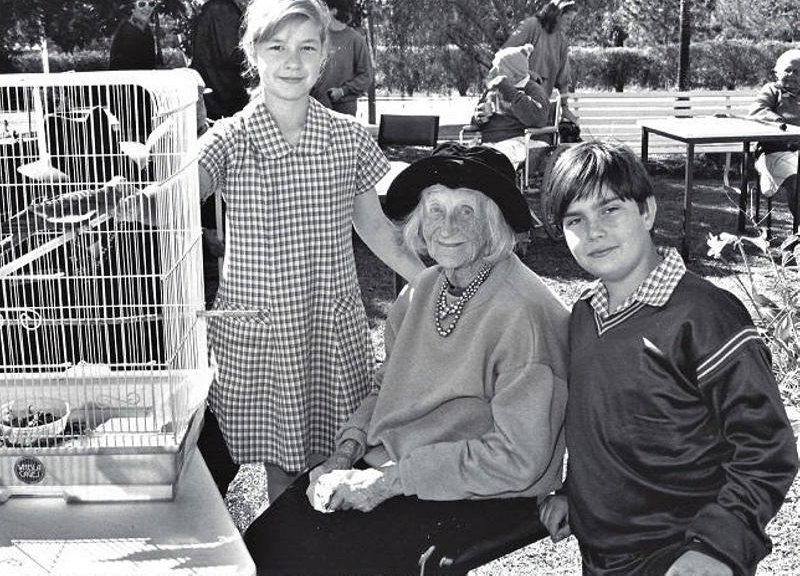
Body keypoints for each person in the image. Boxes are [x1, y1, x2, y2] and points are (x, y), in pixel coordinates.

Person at [242, 142, 570, 576]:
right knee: (263, 545)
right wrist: (345, 452)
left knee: (314, 564)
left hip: (480, 489)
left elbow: (517, 459)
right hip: (400, 468)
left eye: (466, 212)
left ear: (494, 226)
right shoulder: (421, 290)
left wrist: (388, 482)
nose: (447, 226)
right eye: (435, 209)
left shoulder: (523, 316)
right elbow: (386, 387)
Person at [194, 0, 426, 504]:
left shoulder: (347, 137)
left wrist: (432, 281)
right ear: (253, 54)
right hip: (264, 330)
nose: (292, 62)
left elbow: (374, 227)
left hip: (327, 321)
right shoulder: (229, 138)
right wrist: (134, 185)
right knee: (279, 467)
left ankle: (318, 545)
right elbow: (175, 193)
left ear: (324, 56)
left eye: (306, 47)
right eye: (276, 47)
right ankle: (286, 548)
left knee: (329, 459)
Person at [538, 141, 799, 576]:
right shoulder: (584, 315)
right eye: (575, 220)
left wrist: (717, 545)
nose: (593, 231)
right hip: (601, 556)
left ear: (647, 212)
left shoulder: (706, 317)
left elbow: (765, 448)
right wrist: (573, 491)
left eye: (609, 210)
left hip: (682, 554)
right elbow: (602, 426)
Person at [191, 0, 252, 307]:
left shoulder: (209, 10)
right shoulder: (225, 12)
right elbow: (234, 55)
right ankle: (225, 247)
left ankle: (220, 244)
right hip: (225, 103)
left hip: (215, 100)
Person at [470, 43, 551, 167]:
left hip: (523, 141)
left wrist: (509, 91)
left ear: (514, 72)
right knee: (465, 157)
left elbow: (538, 118)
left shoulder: (533, 89)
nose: (493, 72)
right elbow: (475, 121)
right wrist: (478, 118)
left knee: (497, 157)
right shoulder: (493, 90)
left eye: (499, 68)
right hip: (491, 143)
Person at [503, 0, 579, 125]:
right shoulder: (531, 26)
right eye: (567, 19)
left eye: (572, 20)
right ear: (557, 14)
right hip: (513, 107)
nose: (569, 23)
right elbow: (505, 57)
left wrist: (565, 108)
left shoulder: (561, 41)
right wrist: (527, 74)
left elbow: (563, 80)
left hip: (538, 110)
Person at [191, 0, 252, 120]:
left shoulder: (212, 8)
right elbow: (231, 54)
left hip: (212, 92)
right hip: (222, 95)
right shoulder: (224, 11)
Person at [749, 48, 800, 227]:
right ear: (777, 72)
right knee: (796, 177)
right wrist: (782, 124)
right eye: (788, 70)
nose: (792, 75)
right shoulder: (772, 90)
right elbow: (757, 111)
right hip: (773, 152)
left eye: (798, 71)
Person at [309, 0, 372, 116]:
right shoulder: (317, 37)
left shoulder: (356, 40)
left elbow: (365, 76)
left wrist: (343, 91)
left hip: (345, 108)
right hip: (317, 106)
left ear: (333, 11)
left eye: (323, 8)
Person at [109, 0, 158, 70]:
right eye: (142, 4)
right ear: (132, 8)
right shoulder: (127, 32)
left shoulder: (146, 29)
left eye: (151, 4)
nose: (147, 8)